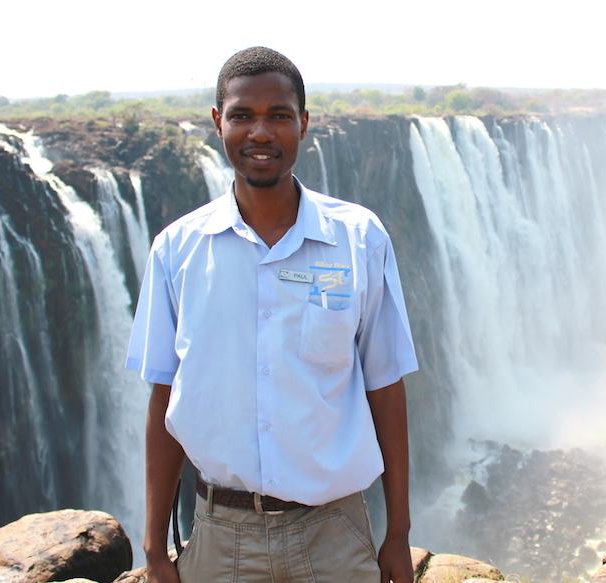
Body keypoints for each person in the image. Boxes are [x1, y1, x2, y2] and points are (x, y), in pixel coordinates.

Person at [126, 46, 418, 583]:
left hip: (333, 534)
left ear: (303, 124)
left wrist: (397, 533)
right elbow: (166, 397)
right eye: (242, 116)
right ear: (218, 123)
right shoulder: (177, 251)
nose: (260, 133)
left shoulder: (358, 240)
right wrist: (152, 545)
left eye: (279, 116)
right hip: (219, 537)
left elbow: (386, 385)